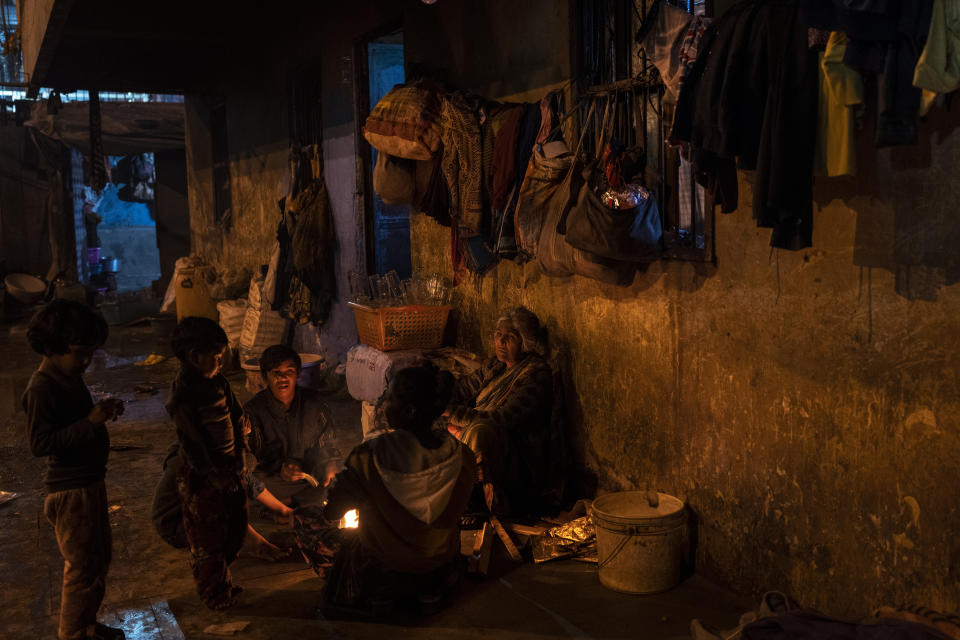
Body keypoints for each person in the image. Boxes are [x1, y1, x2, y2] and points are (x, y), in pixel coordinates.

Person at [323, 364, 477, 614]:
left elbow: (332, 511)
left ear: (409, 411)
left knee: (318, 527)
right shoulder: (463, 458)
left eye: (390, 398)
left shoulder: (368, 458)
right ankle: (430, 591)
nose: (383, 403)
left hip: (382, 566)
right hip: (438, 566)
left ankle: (381, 592)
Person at [23, 300, 126, 640]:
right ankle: (71, 634)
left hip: (90, 483)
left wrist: (100, 412)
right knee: (81, 567)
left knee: (97, 561)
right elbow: (41, 444)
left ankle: (87, 625)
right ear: (52, 347)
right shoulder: (41, 388)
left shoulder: (68, 376)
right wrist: (89, 422)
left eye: (90, 354)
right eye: (79, 353)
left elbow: (78, 422)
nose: (86, 362)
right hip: (70, 492)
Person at [166, 317, 247, 610]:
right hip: (203, 477)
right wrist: (211, 474)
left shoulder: (218, 382)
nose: (219, 362)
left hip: (229, 467)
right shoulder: (184, 393)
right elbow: (191, 442)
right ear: (193, 357)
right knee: (208, 538)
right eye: (215, 357)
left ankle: (222, 581)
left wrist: (240, 455)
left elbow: (237, 417)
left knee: (234, 528)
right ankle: (213, 592)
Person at [444, 306, 555, 516]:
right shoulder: (496, 365)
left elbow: (502, 419)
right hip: (483, 432)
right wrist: (440, 400)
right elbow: (463, 387)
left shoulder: (536, 375)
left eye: (509, 337)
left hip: (516, 458)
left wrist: (455, 414)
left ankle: (477, 501)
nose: (500, 342)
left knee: (480, 431)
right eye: (498, 335)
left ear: (526, 343)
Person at [151, 440, 294, 561]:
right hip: (176, 527)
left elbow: (251, 482)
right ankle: (255, 545)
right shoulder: (195, 462)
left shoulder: (214, 450)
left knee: (235, 480)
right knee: (229, 493)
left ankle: (245, 540)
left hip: (196, 517)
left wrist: (283, 510)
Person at [244, 345, 341, 506]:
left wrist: (331, 462)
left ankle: (284, 504)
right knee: (249, 481)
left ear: (298, 374)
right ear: (265, 376)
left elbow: (328, 442)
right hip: (274, 478)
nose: (283, 378)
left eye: (289, 372)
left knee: (337, 480)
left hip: (307, 475)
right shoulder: (253, 410)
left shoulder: (315, 405)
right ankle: (288, 504)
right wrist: (280, 467)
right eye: (276, 373)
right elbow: (254, 454)